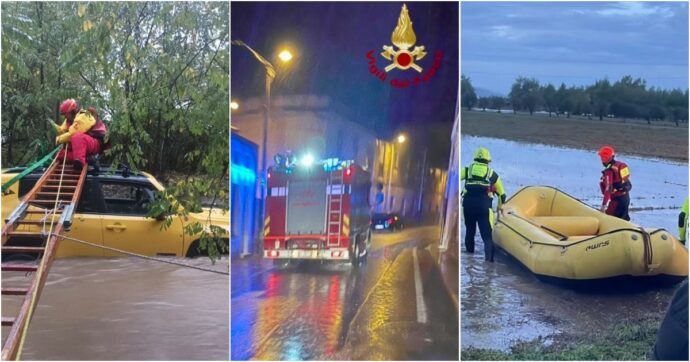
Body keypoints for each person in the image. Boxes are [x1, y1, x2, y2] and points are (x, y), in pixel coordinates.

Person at [461, 147, 506, 262]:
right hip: (484, 207)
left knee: (470, 232)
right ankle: (488, 265)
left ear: (475, 158)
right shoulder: (493, 175)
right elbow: (502, 195)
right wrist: (500, 207)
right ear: (488, 161)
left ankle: (469, 261)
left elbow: (454, 178)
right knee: (486, 236)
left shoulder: (467, 170)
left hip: (468, 206)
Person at [54, 99, 107, 171]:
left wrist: (58, 139)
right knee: (60, 155)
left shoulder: (84, 114)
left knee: (77, 137)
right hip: (81, 147)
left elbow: (72, 133)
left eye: (66, 114)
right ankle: (88, 159)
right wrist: (56, 128)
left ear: (71, 111)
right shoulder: (70, 119)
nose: (65, 117)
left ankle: (80, 163)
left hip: (95, 143)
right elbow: (63, 129)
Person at [598, 145, 632, 221]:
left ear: (605, 158)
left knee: (607, 220)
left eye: (601, 157)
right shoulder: (620, 165)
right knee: (624, 220)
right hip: (626, 199)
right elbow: (627, 183)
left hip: (616, 201)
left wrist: (603, 206)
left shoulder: (609, 171)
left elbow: (608, 188)